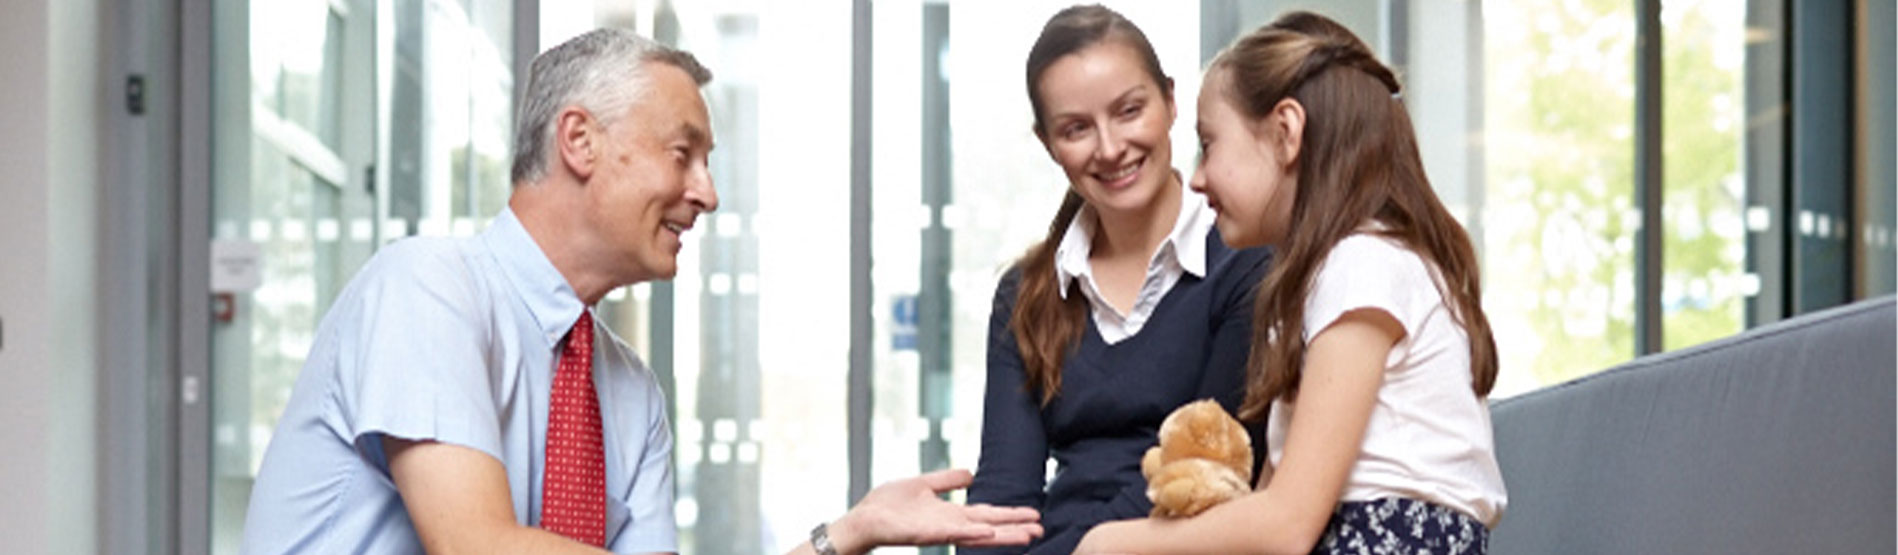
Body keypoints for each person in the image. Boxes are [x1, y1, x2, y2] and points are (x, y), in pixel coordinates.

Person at [240, 28, 1040, 555]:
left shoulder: (628, 390)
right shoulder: (427, 289)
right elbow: (477, 544)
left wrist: (849, 532)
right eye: (682, 153)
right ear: (580, 140)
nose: (708, 192)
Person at [1074, 11, 1507, 554]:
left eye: (1210, 145)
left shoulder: (1363, 265)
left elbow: (1285, 526)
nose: (1200, 178)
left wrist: (1108, 544)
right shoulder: (1319, 285)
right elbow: (1269, 511)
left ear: (1285, 132)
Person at [966, 5, 1272, 554]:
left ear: (1171, 101)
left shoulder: (1246, 263)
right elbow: (1000, 505)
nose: (1109, 148)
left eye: (1129, 110)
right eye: (1077, 128)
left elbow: (1203, 475)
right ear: (1047, 144)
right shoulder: (1026, 295)